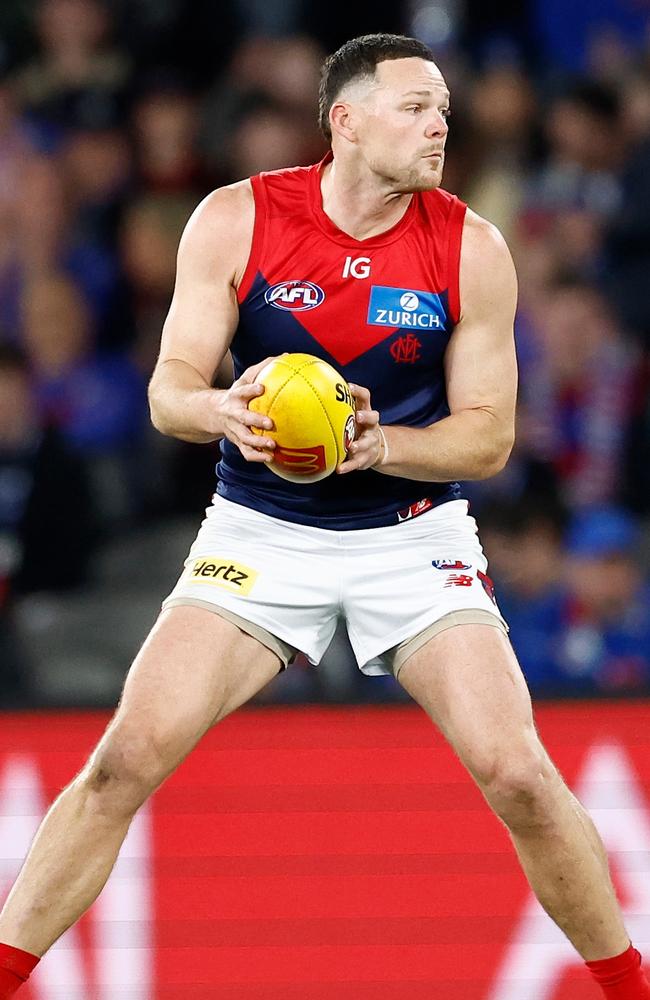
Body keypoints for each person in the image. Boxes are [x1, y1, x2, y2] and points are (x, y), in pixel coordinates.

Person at [0, 32, 647, 999]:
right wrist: (223, 410)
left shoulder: (471, 245)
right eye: (414, 107)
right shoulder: (236, 220)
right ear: (345, 121)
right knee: (123, 759)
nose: (439, 125)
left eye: (442, 108)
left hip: (411, 532)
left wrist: (379, 445)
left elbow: (488, 440)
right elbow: (168, 390)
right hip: (261, 532)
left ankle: (631, 987)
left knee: (516, 773)